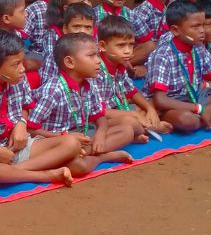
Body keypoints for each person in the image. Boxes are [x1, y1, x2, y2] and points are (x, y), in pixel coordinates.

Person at [0, 29, 79, 190]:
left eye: (22, 61)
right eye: (16, 64)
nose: (23, 68)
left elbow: (26, 107)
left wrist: (21, 123)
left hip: (18, 146)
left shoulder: (19, 79)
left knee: (72, 143)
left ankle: (8, 175)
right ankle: (46, 175)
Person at [28, 33, 135, 177]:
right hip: (56, 142)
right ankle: (102, 157)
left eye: (97, 55)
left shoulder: (89, 83)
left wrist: (100, 135)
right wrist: (62, 136)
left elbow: (100, 117)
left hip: (82, 136)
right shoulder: (53, 90)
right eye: (91, 56)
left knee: (127, 131)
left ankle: (84, 152)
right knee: (79, 167)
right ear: (70, 62)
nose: (98, 61)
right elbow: (32, 129)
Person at [146, 0, 211, 134]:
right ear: (175, 30)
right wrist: (200, 109)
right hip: (171, 104)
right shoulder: (163, 55)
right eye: (195, 27)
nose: (202, 31)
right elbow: (160, 100)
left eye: (202, 25)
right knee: (187, 120)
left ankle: (210, 116)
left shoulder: (197, 46)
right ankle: (210, 119)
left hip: (195, 97)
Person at [95, 15, 171, 135]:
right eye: (121, 45)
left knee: (151, 104)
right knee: (130, 121)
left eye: (130, 45)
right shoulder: (96, 70)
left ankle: (143, 127)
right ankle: (150, 128)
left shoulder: (119, 64)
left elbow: (131, 91)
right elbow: (98, 111)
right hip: (99, 116)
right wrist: (133, 114)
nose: (127, 51)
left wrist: (149, 109)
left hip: (117, 107)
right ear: (102, 46)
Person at [35, 0, 92, 80]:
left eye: (89, 0)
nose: (88, 4)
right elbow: (51, 69)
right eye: (82, 1)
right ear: (66, 7)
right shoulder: (54, 35)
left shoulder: (92, 28)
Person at [130, 0, 180, 74]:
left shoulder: (169, 5)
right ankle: (126, 68)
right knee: (150, 46)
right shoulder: (143, 12)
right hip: (139, 52)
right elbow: (142, 44)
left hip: (159, 50)